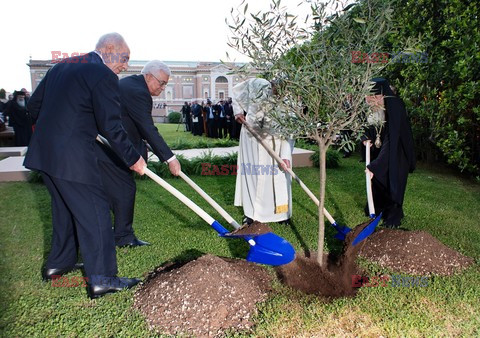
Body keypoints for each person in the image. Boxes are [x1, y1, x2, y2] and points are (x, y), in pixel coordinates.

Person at [24, 33, 146, 299]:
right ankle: (103, 279)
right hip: (73, 157)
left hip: (45, 154)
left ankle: (59, 264)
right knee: (97, 212)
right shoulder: (103, 74)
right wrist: (134, 158)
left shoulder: (62, 66)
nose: (125, 65)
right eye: (124, 58)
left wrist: (60, 128)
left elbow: (34, 106)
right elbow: (111, 126)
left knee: (65, 209)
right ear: (109, 49)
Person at [95, 60, 181, 247]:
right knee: (125, 190)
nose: (163, 87)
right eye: (162, 83)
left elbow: (132, 122)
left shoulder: (133, 85)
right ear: (149, 76)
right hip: (109, 149)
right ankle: (123, 237)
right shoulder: (138, 91)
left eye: (166, 83)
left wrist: (145, 146)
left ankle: (112, 231)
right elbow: (147, 127)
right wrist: (170, 158)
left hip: (115, 147)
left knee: (116, 191)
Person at [233, 78, 294, 225]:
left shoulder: (290, 103)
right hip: (251, 137)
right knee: (253, 175)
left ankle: (281, 215)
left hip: (276, 144)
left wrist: (285, 156)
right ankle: (251, 214)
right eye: (275, 89)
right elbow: (236, 91)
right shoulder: (257, 84)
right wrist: (238, 111)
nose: (277, 93)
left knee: (278, 175)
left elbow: (290, 131)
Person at [363, 77, 416, 228]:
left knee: (394, 182)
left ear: (380, 96)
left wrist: (375, 166)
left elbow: (393, 139)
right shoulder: (376, 107)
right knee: (379, 182)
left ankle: (393, 216)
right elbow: (369, 127)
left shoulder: (395, 106)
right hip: (382, 150)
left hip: (397, 153)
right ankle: (378, 208)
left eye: (372, 98)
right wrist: (365, 137)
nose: (369, 101)